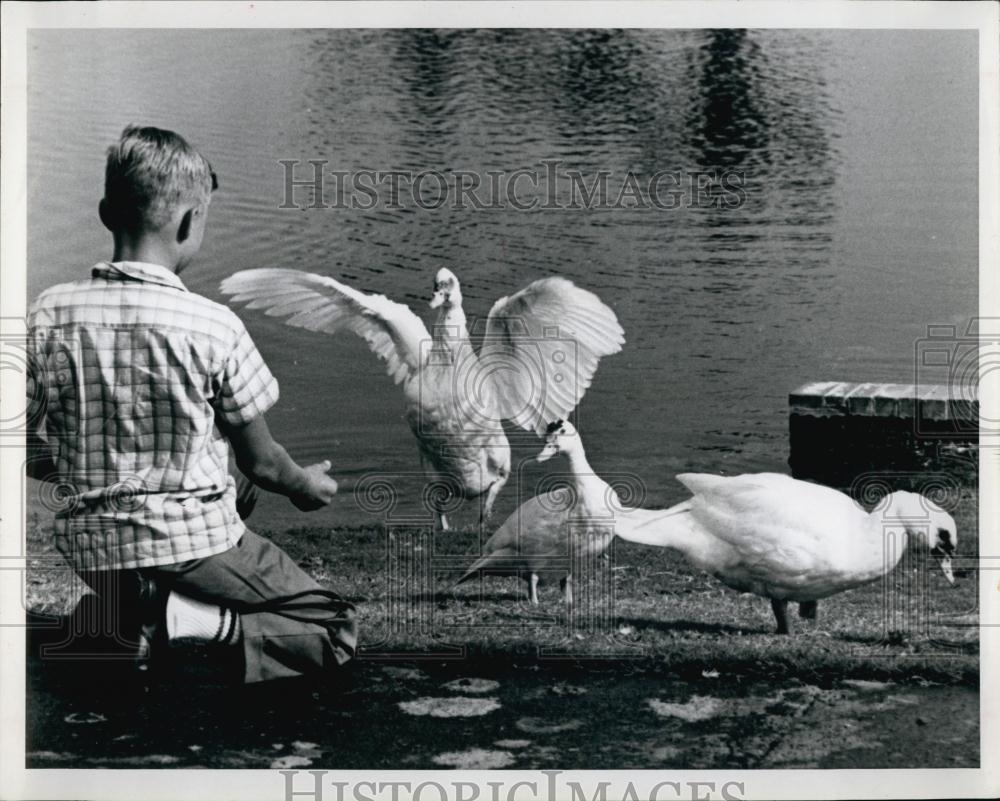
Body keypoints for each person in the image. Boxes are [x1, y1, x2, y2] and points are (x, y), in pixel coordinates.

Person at [26, 124, 357, 684]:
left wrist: (82, 459)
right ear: (188, 223)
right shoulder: (212, 326)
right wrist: (306, 485)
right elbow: (265, 463)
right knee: (332, 629)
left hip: (94, 544)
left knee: (230, 479)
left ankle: (119, 615)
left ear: (108, 214)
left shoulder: (48, 312)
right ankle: (182, 621)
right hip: (188, 544)